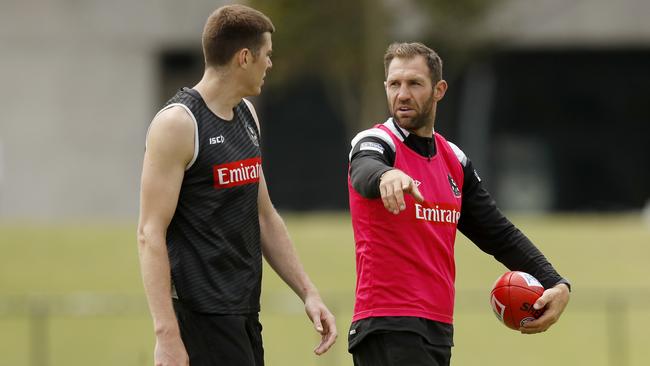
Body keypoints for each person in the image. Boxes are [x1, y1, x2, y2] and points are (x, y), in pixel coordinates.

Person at [346, 42, 570, 366]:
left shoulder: (454, 159)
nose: (403, 94)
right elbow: (364, 168)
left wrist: (555, 283)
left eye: (414, 83)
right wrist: (385, 176)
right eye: (394, 84)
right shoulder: (377, 142)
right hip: (389, 325)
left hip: (437, 330)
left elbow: (499, 234)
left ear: (439, 90)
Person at [136, 5, 337, 366]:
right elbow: (149, 233)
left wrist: (308, 293)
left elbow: (264, 216)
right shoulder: (178, 124)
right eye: (267, 54)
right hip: (198, 320)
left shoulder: (246, 115)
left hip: (244, 315)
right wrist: (166, 335)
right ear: (245, 57)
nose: (270, 64)